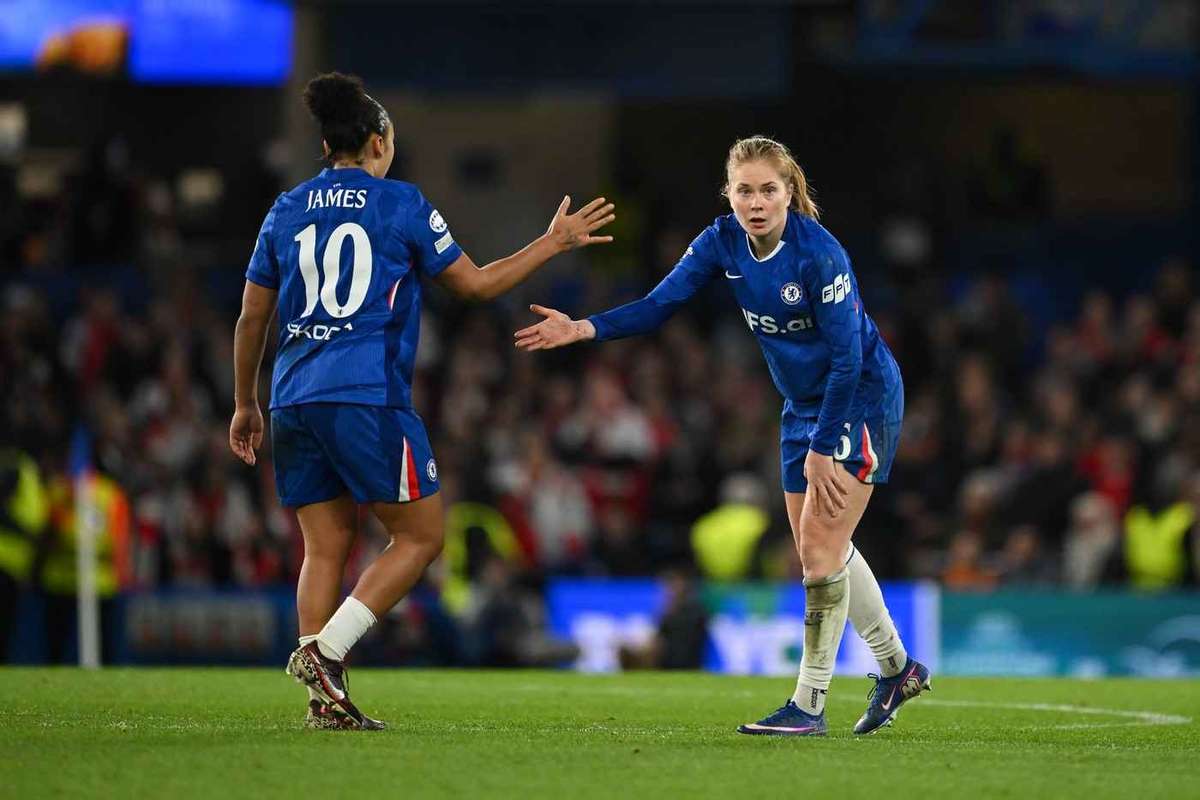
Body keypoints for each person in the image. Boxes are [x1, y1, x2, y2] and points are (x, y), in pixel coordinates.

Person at [229, 72, 614, 730]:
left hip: (292, 397)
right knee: (422, 535)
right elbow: (476, 286)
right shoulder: (400, 204)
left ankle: (325, 702)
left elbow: (250, 319)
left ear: (326, 145)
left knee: (325, 547)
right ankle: (326, 652)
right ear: (377, 141)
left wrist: (245, 404)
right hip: (366, 394)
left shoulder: (286, 209)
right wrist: (553, 242)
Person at [515, 136, 930, 736]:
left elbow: (845, 359)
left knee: (816, 552)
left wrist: (821, 447)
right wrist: (583, 328)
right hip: (800, 406)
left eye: (768, 189)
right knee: (825, 549)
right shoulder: (721, 241)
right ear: (728, 194)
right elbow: (661, 304)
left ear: (790, 192)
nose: (756, 202)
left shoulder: (820, 255)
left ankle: (809, 706)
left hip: (858, 399)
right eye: (744, 191)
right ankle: (897, 669)